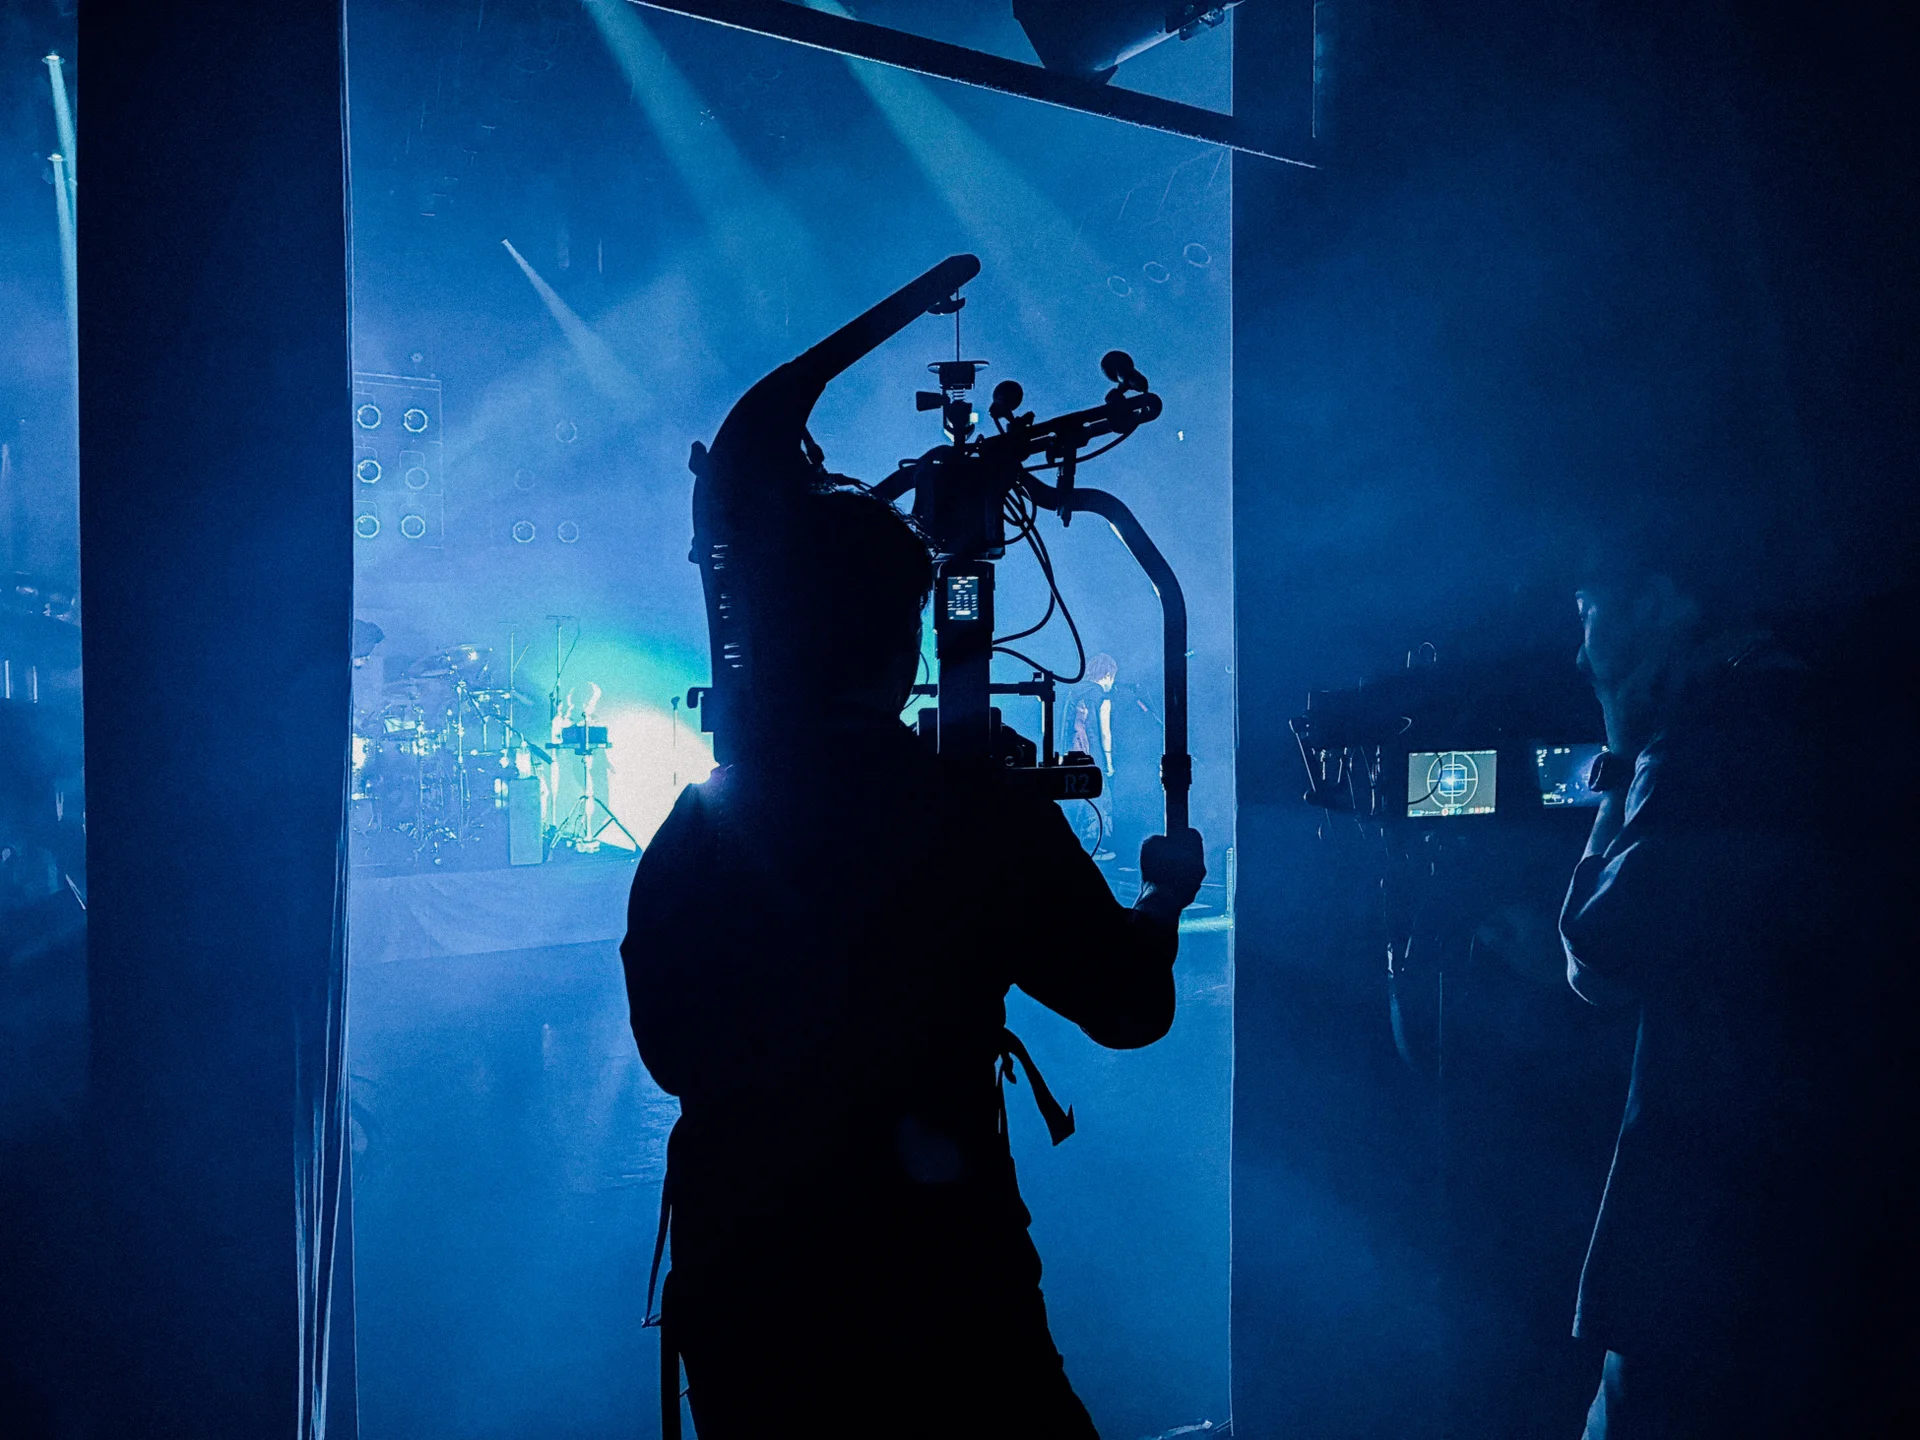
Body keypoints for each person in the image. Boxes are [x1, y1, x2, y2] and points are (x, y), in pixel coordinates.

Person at [622, 488, 1206, 1438]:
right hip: (942, 1277)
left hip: (751, 1288)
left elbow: (672, 1055)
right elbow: (1130, 1005)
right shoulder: (977, 810)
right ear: (908, 644)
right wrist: (1162, 899)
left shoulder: (692, 832)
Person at [1559, 565, 1911, 1438]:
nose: (1580, 650)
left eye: (1591, 612)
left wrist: (1622, 761)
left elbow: (1596, 955)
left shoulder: (1709, 735)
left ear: (1669, 600)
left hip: (1709, 1221)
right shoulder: (1843, 715)